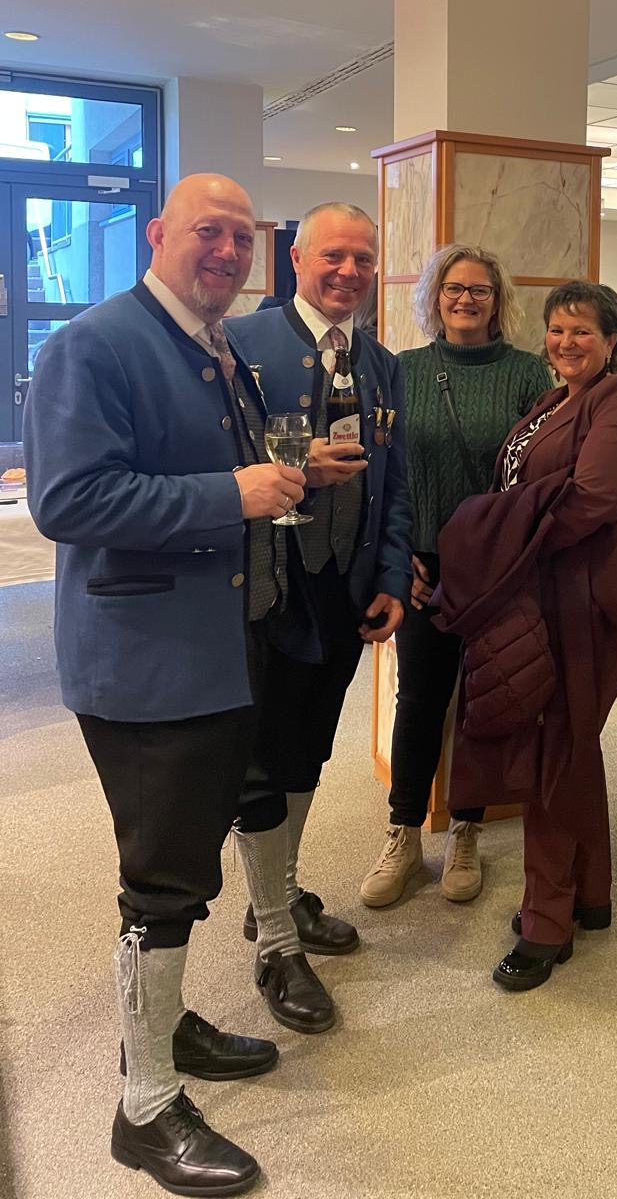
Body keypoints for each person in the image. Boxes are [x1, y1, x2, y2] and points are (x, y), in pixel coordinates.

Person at [24, 174, 309, 1196]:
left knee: (187, 865)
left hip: (217, 648)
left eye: (241, 237)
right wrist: (233, 493)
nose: (227, 251)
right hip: (145, 664)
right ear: (157, 234)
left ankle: (169, 1022)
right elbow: (69, 500)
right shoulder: (95, 344)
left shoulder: (213, 343)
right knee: (163, 883)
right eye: (208, 232)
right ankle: (143, 1107)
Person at [435, 282, 617, 990]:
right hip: (546, 593)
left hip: (590, 600)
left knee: (554, 753)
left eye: (583, 331)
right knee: (571, 745)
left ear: (612, 341)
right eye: (558, 330)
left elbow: (590, 501)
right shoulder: (552, 400)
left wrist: (494, 541)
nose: (567, 342)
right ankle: (590, 894)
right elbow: (527, 488)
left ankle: (546, 922)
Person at [225, 203, 411, 1032]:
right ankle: (274, 938)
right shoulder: (241, 343)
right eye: (334, 255)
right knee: (263, 761)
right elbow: (217, 461)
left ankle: (283, 891)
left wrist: (393, 575)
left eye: (363, 259)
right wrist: (295, 464)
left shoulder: (381, 363)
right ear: (296, 259)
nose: (349, 271)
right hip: (269, 586)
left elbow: (396, 482)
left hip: (346, 584)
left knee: (308, 749)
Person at [359, 245, 548, 910]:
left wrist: (510, 559)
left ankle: (466, 829)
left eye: (479, 290)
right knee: (419, 698)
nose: (465, 300)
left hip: (496, 568)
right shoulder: (402, 370)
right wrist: (397, 553)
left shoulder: (528, 374)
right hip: (422, 563)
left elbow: (537, 479)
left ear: (498, 301)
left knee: (480, 699)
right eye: (453, 289)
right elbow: (382, 470)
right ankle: (404, 833)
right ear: (434, 298)